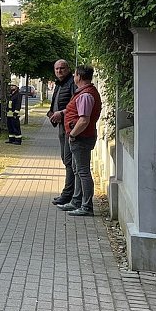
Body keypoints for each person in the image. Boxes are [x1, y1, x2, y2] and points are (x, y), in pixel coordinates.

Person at [59, 66, 102, 217]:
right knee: (77, 170)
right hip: (81, 137)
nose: (74, 77)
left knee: (83, 171)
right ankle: (76, 201)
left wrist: (72, 134)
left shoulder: (86, 95)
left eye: (75, 75)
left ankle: (86, 206)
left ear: (79, 77)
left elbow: (84, 120)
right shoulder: (84, 93)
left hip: (81, 137)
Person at [47, 60, 78, 208]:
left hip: (70, 126)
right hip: (62, 125)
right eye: (57, 69)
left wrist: (62, 113)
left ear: (68, 69)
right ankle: (69, 193)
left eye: (62, 68)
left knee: (69, 161)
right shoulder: (60, 84)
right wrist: (51, 112)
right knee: (66, 160)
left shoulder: (72, 83)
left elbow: (75, 104)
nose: (59, 71)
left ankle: (68, 194)